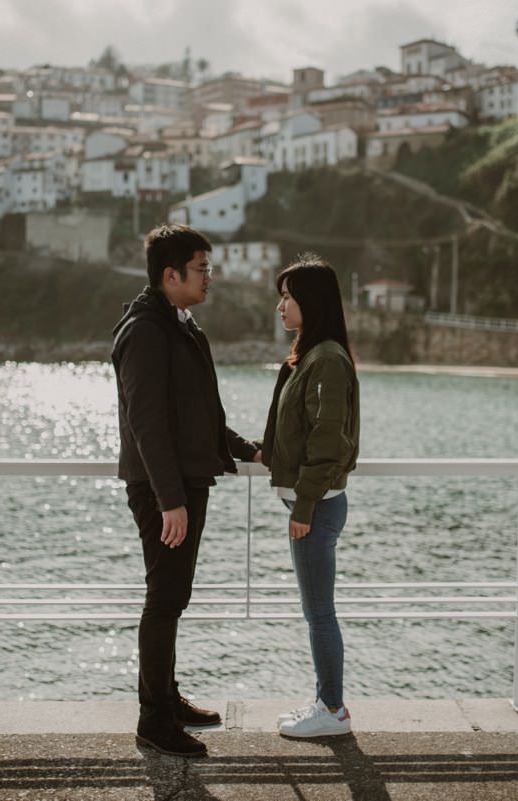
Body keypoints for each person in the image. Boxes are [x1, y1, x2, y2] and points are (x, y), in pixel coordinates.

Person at [111, 223, 260, 758]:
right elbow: (146, 420)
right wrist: (169, 498)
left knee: (173, 598)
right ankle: (154, 721)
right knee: (164, 599)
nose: (209, 278)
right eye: (202, 269)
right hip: (162, 489)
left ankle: (166, 700)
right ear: (169, 275)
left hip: (182, 482)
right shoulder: (146, 331)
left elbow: (200, 413)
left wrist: (248, 449)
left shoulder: (178, 323)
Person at [258, 254, 360, 738]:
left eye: (288, 297)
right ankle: (324, 699)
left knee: (319, 613)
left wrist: (303, 506)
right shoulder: (313, 355)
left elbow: (328, 441)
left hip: (315, 507)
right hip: (312, 504)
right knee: (316, 610)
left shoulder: (327, 360)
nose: (281, 306)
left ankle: (333, 711)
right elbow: (299, 431)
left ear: (310, 302)